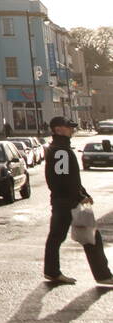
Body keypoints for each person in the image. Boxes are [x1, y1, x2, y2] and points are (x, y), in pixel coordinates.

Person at [42, 115, 112, 286]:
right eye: (69, 127)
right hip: (69, 203)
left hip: (63, 201)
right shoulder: (61, 151)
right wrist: (80, 196)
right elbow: (64, 179)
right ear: (58, 130)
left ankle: (51, 271)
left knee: (56, 237)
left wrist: (82, 192)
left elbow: (69, 179)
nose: (72, 129)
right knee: (91, 238)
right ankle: (103, 275)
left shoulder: (59, 148)